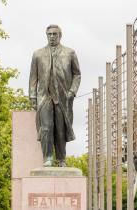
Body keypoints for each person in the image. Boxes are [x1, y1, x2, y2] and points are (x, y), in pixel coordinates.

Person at [29, 24, 81, 167]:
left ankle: (61, 159)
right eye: (49, 34)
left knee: (60, 129)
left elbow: (77, 74)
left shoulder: (70, 53)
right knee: (46, 128)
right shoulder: (38, 54)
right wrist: (33, 97)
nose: (52, 36)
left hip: (63, 96)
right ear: (46, 35)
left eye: (54, 34)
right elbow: (33, 78)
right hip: (44, 96)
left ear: (60, 35)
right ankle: (48, 158)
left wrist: (72, 91)